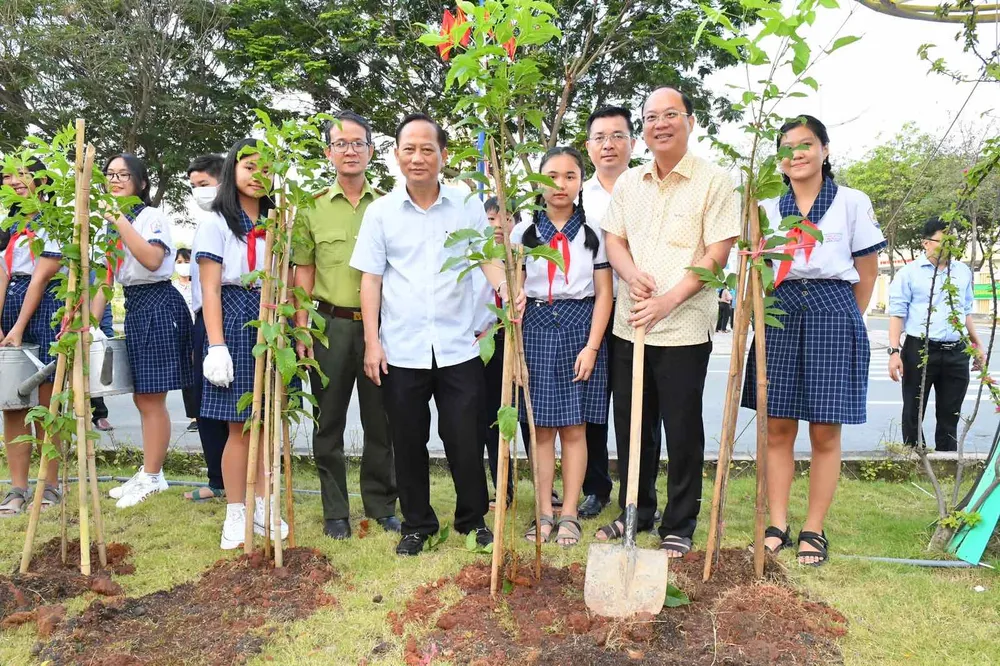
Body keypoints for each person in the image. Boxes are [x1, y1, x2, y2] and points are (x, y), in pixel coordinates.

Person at [350, 113, 523, 556]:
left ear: (444, 155)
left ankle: (473, 519)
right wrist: (373, 341)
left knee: (464, 436)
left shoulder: (465, 204)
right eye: (409, 149)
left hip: (458, 345)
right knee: (407, 440)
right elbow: (370, 280)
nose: (418, 157)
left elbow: (486, 257)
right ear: (395, 157)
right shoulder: (381, 213)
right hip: (401, 349)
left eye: (428, 149)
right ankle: (418, 525)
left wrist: (506, 286)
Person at [598, 86, 740, 558]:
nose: (660, 124)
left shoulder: (714, 181)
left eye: (670, 115)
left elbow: (716, 254)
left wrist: (668, 301)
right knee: (632, 427)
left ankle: (679, 522)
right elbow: (614, 240)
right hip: (630, 325)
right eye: (652, 117)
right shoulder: (629, 184)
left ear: (690, 121)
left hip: (682, 330)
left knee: (681, 430)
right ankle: (634, 510)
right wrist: (631, 272)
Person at [741, 115, 885, 566]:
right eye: (786, 148)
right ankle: (777, 523)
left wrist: (842, 320)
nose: (796, 154)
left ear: (825, 149)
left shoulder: (851, 201)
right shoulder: (765, 206)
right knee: (778, 426)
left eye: (806, 144)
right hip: (781, 311)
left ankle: (813, 528)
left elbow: (866, 273)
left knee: (825, 429)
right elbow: (759, 271)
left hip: (833, 310)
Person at [291, 110, 399, 540]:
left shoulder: (391, 206)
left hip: (381, 329)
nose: (350, 151)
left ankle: (381, 504)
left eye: (358, 143)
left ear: (371, 152)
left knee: (381, 422)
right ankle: (335, 510)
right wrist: (302, 328)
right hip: (329, 326)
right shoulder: (311, 208)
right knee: (327, 422)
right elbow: (303, 272)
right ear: (328, 152)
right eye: (341, 144)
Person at [514, 147, 613, 547]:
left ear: (580, 182)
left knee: (575, 429)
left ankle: (569, 513)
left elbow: (605, 294)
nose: (560, 184)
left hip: (580, 327)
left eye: (570, 176)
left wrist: (591, 347)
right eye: (551, 176)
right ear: (539, 182)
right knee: (539, 430)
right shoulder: (523, 232)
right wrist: (517, 350)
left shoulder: (595, 234)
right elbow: (513, 288)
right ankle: (542, 512)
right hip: (535, 326)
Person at [195, 138, 288, 549]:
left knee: (266, 423)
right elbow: (211, 289)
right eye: (249, 166)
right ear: (232, 170)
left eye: (265, 168)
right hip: (233, 317)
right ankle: (236, 512)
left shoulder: (278, 222)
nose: (257, 175)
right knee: (239, 426)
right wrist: (217, 346)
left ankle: (265, 507)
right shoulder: (216, 221)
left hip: (272, 320)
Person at [92, 153, 194, 509]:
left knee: (151, 396)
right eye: (110, 174)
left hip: (159, 303)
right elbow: (105, 279)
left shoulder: (150, 217)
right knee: (142, 396)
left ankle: (153, 476)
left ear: (142, 182)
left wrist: (119, 219)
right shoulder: (109, 224)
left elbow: (152, 260)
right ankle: (151, 471)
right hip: (135, 304)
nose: (115, 180)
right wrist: (90, 324)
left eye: (124, 174)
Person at [0, 158, 63, 515]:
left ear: (40, 177)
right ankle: (17, 488)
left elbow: (40, 277)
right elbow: (2, 275)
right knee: (13, 404)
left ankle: (50, 485)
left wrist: (18, 328)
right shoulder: (8, 225)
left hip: (44, 307)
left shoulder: (54, 221)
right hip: (11, 308)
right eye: (7, 175)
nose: (15, 180)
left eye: (22, 172)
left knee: (45, 403)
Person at [888, 217, 983, 452]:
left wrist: (977, 345)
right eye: (942, 241)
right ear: (926, 243)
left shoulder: (962, 272)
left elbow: (966, 311)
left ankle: (947, 461)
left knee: (951, 412)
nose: (948, 246)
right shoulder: (909, 273)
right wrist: (894, 352)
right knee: (913, 409)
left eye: (952, 241)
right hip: (920, 348)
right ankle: (913, 456)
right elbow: (897, 314)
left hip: (956, 351)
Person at [183, 153, 231, 501]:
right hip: (203, 317)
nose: (199, 192)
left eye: (204, 185)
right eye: (194, 187)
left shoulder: (232, 221)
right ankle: (217, 478)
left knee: (235, 401)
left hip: (231, 312)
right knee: (207, 402)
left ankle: (238, 478)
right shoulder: (206, 223)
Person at [474, 196, 515, 508]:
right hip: (475, 342)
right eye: (490, 219)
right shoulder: (475, 258)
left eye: (505, 219)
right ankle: (480, 488)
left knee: (502, 419)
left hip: (506, 342)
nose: (498, 226)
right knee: (476, 420)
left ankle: (506, 489)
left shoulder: (519, 258)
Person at [173, 247, 199, 433]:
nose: (183, 266)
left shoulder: (198, 284)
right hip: (181, 332)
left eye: (187, 261)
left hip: (199, 330)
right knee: (187, 376)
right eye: (179, 262)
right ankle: (193, 416)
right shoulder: (172, 287)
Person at [90, 299, 116, 432]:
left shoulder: (96, 279)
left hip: (90, 330)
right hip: (64, 325)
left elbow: (104, 300)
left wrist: (108, 335)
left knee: (93, 372)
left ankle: (100, 415)